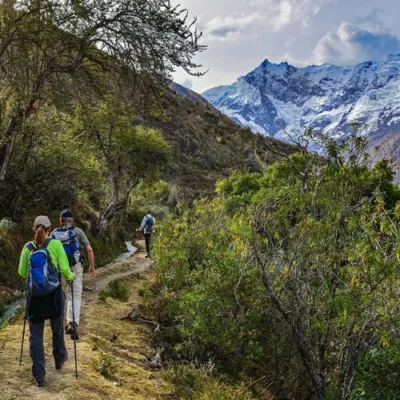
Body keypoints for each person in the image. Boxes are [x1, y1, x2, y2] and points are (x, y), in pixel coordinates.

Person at [18, 216, 75, 387]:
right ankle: (59, 359)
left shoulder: (27, 248)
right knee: (57, 328)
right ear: (50, 229)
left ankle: (39, 377)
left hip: (34, 298)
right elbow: (65, 269)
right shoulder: (56, 244)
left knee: (36, 336)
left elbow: (22, 273)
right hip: (54, 295)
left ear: (33, 229)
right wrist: (72, 276)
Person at [52, 208, 95, 340]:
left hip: (60, 268)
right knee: (75, 294)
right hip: (75, 266)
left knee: (62, 294)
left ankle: (61, 323)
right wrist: (92, 266)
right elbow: (89, 249)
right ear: (71, 221)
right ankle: (72, 322)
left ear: (60, 221)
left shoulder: (54, 233)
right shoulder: (78, 231)